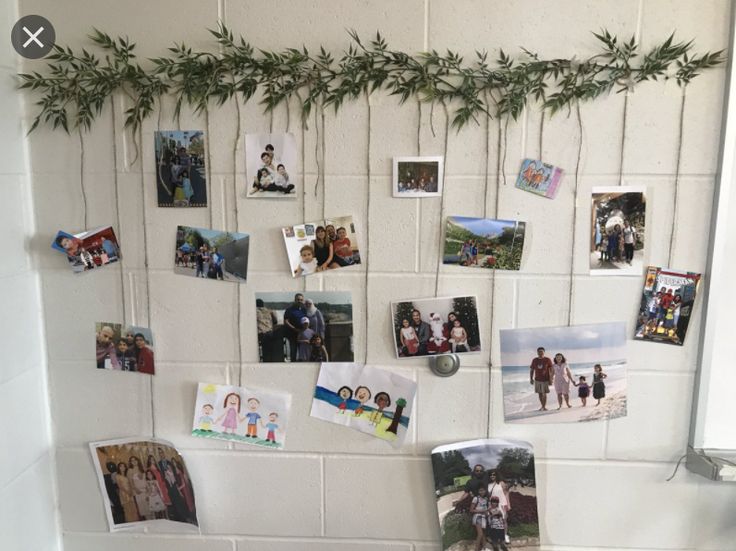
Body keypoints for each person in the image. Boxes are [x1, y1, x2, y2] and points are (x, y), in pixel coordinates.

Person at [283, 294, 307, 362]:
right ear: (295, 300)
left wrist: (304, 329)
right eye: (298, 299)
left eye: (301, 300)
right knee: (293, 351)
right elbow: (286, 321)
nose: (299, 301)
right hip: (292, 334)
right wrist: (294, 328)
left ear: (303, 300)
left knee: (302, 352)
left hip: (302, 334)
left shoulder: (304, 310)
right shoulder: (289, 310)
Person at [529, 347, 553, 411]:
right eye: (539, 351)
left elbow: (551, 370)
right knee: (539, 393)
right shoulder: (534, 360)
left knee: (544, 393)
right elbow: (532, 370)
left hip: (545, 379)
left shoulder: (548, 359)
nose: (540, 353)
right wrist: (531, 379)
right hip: (537, 379)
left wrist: (551, 379)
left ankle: (544, 407)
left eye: (542, 351)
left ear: (544, 352)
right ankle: (542, 406)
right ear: (537, 352)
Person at [469, 485, 491, 551]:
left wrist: (487, 512)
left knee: (483, 534)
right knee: (480, 534)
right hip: (477, 517)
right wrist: (482, 511)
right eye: (480, 490)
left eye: (483, 490)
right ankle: (476, 549)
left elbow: (486, 509)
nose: (482, 492)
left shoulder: (486, 499)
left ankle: (484, 548)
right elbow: (471, 510)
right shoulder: (476, 498)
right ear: (478, 491)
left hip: (483, 518)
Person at [127, 456, 148, 521]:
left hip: (146, 490)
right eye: (132, 460)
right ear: (130, 462)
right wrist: (136, 490)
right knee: (144, 509)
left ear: (137, 460)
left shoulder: (142, 468)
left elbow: (146, 479)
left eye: (135, 460)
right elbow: (130, 483)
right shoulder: (130, 470)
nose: (134, 461)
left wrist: (148, 489)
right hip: (138, 491)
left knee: (150, 507)